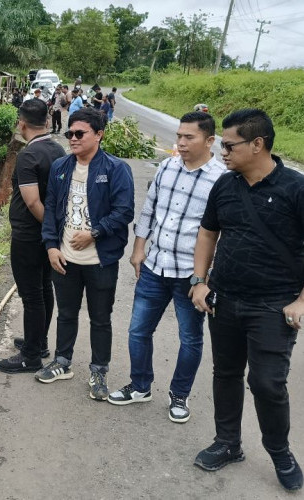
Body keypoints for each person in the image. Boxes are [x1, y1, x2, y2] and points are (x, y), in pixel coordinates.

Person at [190, 109, 304, 491]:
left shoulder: (295, 189)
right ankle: (228, 443)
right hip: (224, 299)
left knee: (267, 382)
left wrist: (302, 301)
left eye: (228, 144)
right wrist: (199, 281)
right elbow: (208, 233)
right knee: (225, 374)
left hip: (273, 305)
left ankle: (279, 451)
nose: (222, 151)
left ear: (257, 144)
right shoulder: (224, 186)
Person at [107, 112, 226, 423]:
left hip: (191, 275)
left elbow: (222, 233)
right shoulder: (167, 167)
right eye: (179, 136)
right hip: (155, 266)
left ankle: (179, 396)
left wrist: (207, 277)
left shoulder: (222, 179)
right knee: (138, 330)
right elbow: (149, 211)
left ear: (209, 140)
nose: (181, 143)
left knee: (190, 338)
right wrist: (138, 249)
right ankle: (141, 385)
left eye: (190, 137)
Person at [38, 108, 134, 400]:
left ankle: (98, 370)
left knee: (100, 318)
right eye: (70, 133)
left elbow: (124, 211)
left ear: (99, 135)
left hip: (100, 261)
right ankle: (62, 361)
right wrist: (51, 246)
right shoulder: (60, 167)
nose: (73, 139)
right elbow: (52, 208)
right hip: (65, 258)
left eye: (80, 134)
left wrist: (94, 232)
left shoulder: (116, 169)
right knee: (66, 314)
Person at [0, 98, 66, 374]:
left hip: (29, 235)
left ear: (21, 123)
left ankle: (31, 356)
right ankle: (39, 342)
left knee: (31, 295)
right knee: (43, 289)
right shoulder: (58, 149)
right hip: (46, 238)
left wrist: (48, 229)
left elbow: (33, 202)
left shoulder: (28, 156)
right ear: (47, 122)